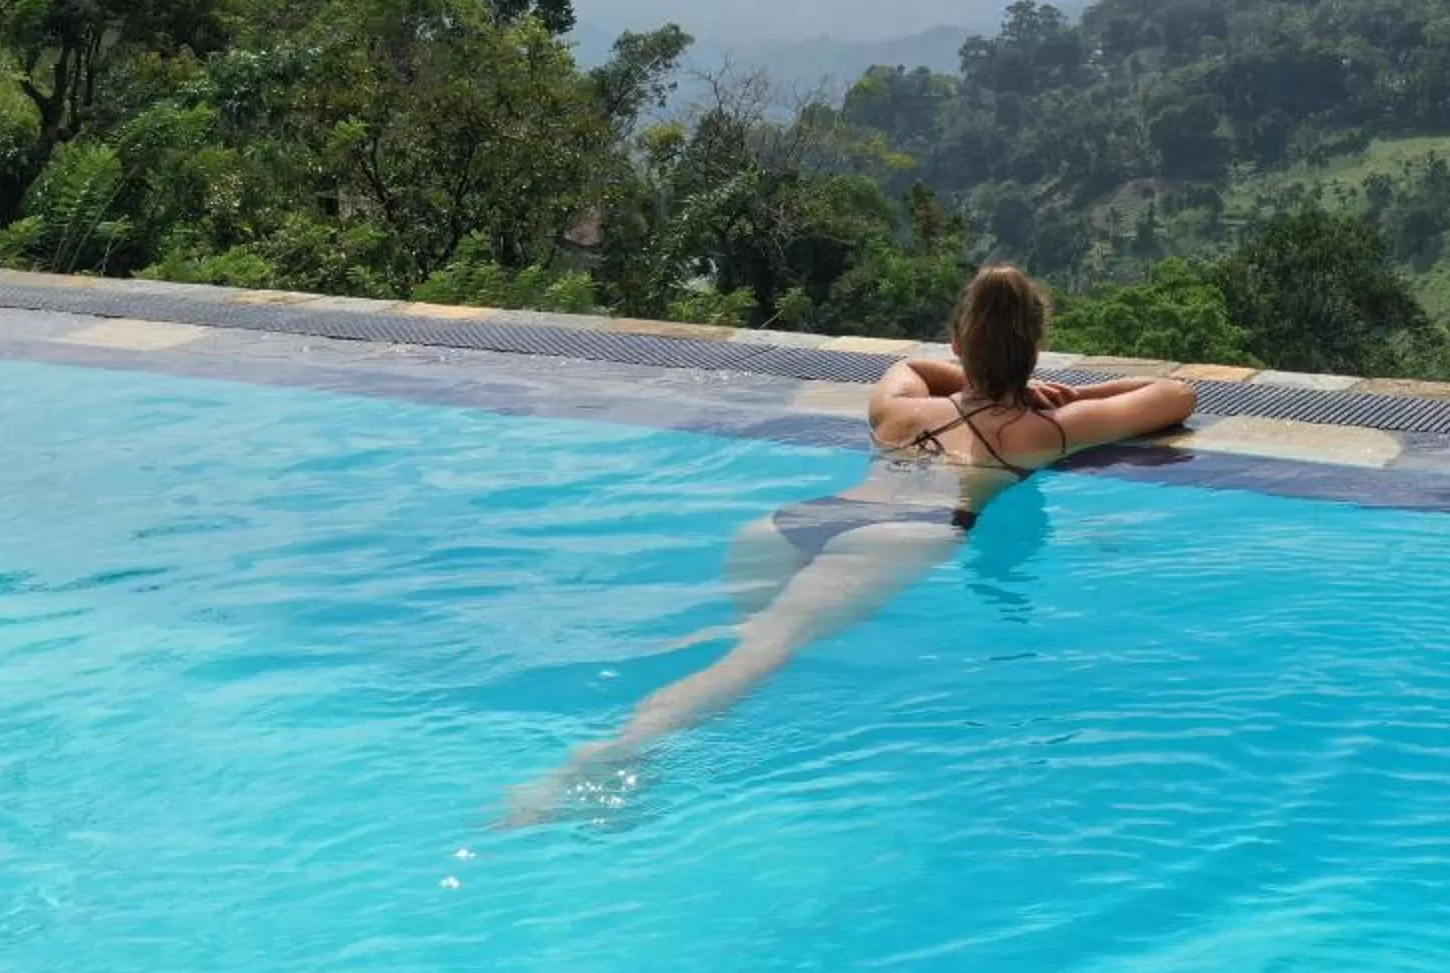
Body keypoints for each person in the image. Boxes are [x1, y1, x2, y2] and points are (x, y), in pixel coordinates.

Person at [500, 265, 1197, 825]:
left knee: (746, 641)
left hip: (798, 521)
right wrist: (1068, 393)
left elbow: (908, 369)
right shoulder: (1040, 433)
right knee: (762, 652)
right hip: (894, 538)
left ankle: (638, 719)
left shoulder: (902, 410)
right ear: (1034, 349)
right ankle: (610, 756)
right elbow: (1176, 395)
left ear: (959, 344)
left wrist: (976, 372)